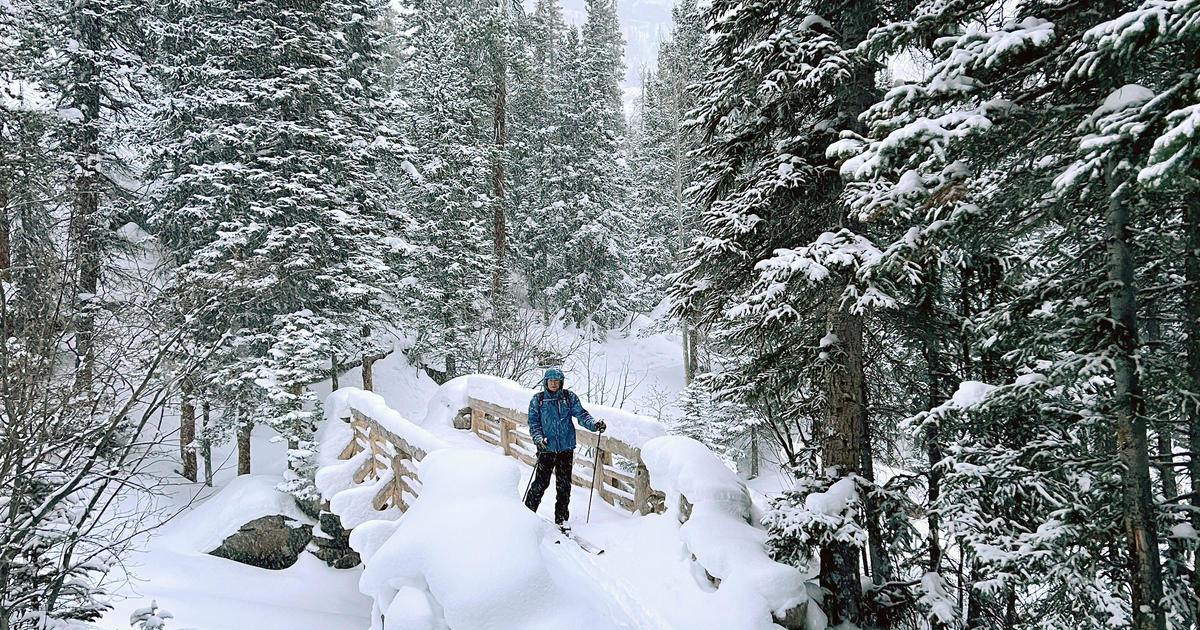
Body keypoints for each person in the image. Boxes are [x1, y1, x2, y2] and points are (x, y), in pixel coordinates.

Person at [524, 367, 606, 526]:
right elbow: (533, 423)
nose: (553, 384)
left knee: (564, 486)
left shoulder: (569, 397)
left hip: (566, 448)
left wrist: (594, 425)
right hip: (546, 448)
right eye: (550, 381)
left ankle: (561, 519)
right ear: (545, 382)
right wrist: (538, 439)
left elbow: (582, 415)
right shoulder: (538, 400)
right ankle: (527, 514)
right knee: (540, 484)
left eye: (556, 381)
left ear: (561, 383)